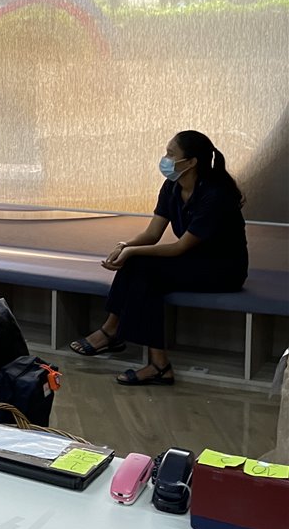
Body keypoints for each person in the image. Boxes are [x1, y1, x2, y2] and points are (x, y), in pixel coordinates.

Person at [70, 130, 249, 387]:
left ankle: (150, 359)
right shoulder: (172, 187)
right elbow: (152, 234)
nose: (165, 159)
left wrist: (132, 252)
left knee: (147, 270)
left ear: (191, 162)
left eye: (171, 154)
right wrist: (125, 246)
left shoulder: (215, 194)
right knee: (137, 263)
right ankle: (122, 338)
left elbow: (179, 247)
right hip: (193, 261)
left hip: (222, 270)